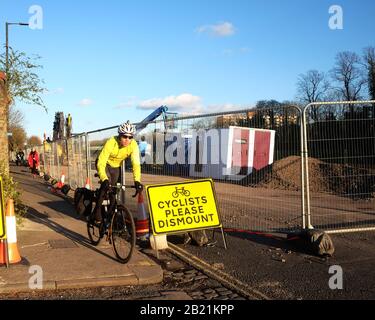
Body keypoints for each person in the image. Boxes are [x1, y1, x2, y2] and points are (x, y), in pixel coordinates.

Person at [93, 121, 143, 223]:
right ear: (119, 136)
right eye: (125, 136)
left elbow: (136, 164)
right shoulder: (111, 142)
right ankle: (97, 210)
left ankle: (110, 216)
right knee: (106, 185)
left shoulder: (133, 145)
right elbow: (101, 162)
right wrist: (104, 178)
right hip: (104, 164)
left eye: (130, 137)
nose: (127, 140)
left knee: (114, 191)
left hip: (116, 166)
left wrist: (137, 181)